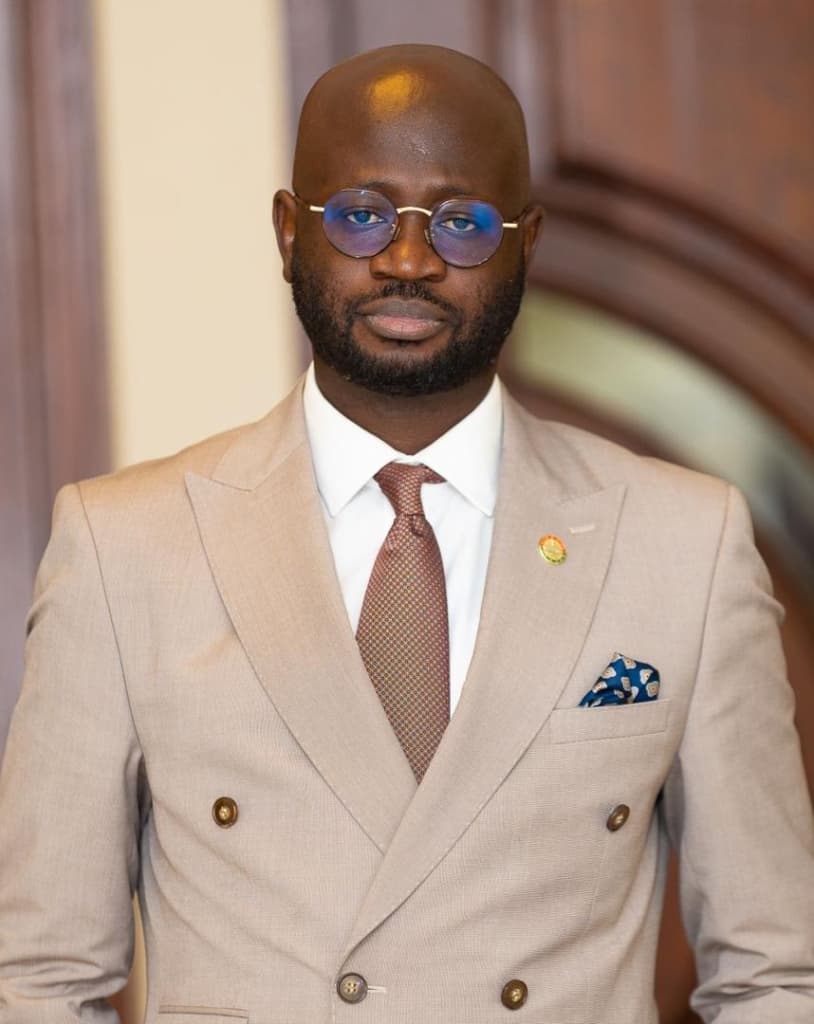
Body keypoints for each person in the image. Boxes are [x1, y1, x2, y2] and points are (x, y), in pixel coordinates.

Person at [1, 42, 813, 1024]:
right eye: (361, 214)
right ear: (289, 232)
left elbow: (776, 975)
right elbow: (39, 981)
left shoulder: (683, 544)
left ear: (527, 244)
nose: (408, 260)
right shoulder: (123, 547)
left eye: (463, 222)